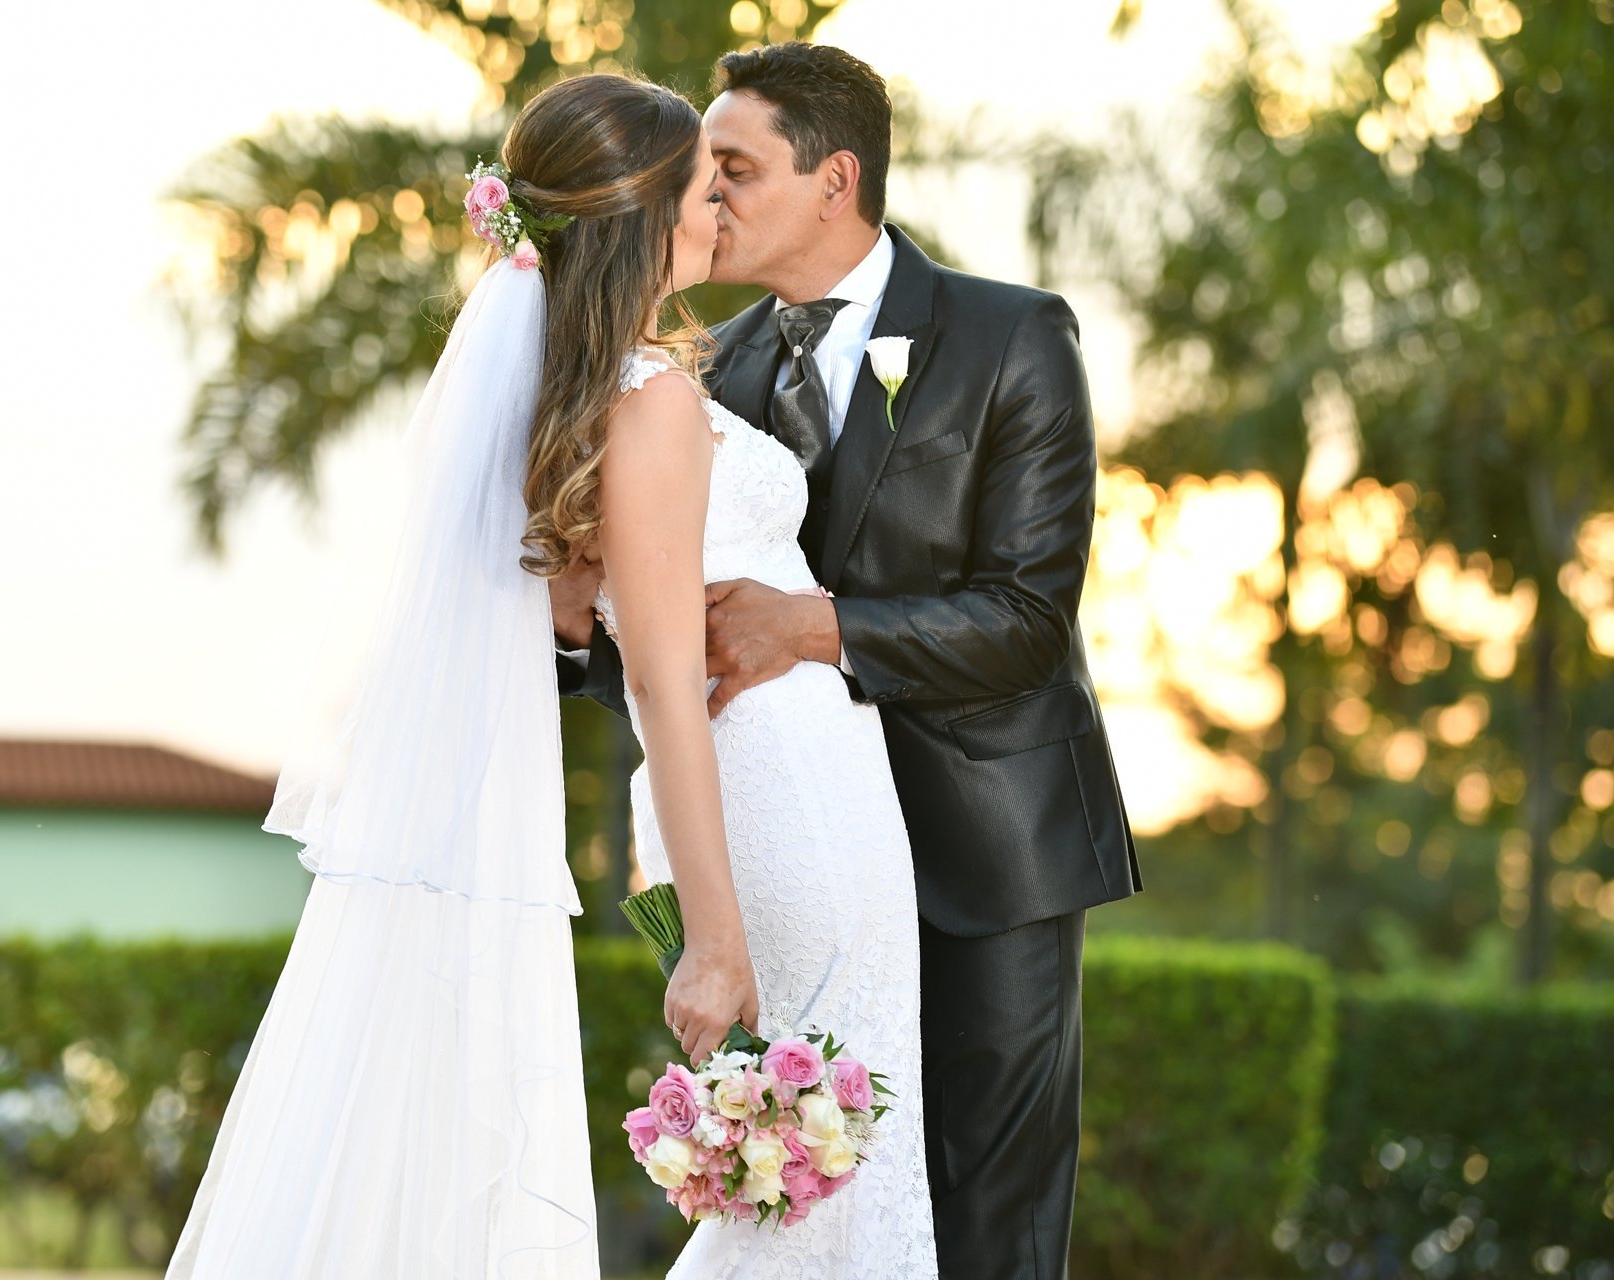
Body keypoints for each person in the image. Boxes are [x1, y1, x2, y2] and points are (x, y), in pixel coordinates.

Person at [167, 70, 936, 1279]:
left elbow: (584, 620)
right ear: (641, 219)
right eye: (699, 189)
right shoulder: (655, 401)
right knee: (826, 1170)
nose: (716, 215)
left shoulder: (587, 396)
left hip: (794, 789)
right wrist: (713, 933)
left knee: (818, 1164)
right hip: (787, 793)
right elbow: (665, 685)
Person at [555, 43, 1142, 1280]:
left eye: (734, 168)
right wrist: (574, 640)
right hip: (800, 853)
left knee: (986, 1220)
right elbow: (674, 630)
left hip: (993, 848)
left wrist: (813, 626)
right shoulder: (717, 371)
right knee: (820, 1204)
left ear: (834, 180)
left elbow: (1028, 617)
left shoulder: (1011, 336)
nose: (706, 196)